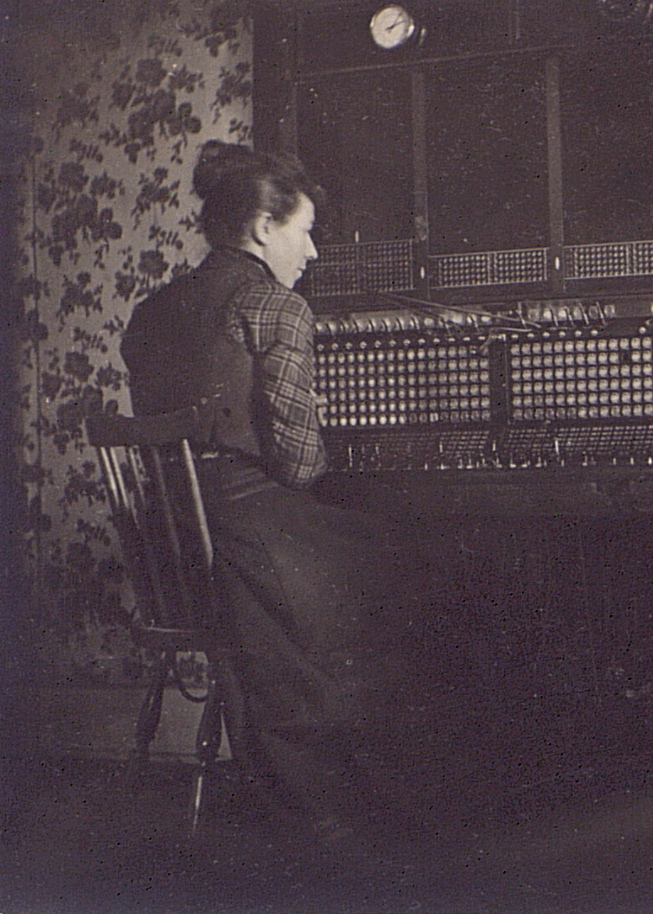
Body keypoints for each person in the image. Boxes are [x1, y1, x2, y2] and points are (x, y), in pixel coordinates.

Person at [120, 140, 442, 842]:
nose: (314, 252)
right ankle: (402, 808)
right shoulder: (274, 306)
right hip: (245, 542)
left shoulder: (150, 313)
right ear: (264, 226)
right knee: (420, 566)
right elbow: (300, 469)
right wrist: (305, 426)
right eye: (306, 231)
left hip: (174, 555)